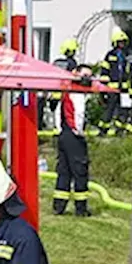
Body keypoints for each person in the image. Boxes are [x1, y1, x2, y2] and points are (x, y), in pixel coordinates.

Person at [53, 65, 94, 217]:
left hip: (64, 133)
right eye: (85, 75)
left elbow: (58, 111)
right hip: (73, 135)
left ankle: (59, 206)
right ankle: (81, 208)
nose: (87, 78)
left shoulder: (67, 90)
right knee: (80, 171)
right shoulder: (77, 92)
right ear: (76, 73)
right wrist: (79, 132)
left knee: (64, 171)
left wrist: (59, 130)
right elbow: (79, 113)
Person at [95, 28, 130, 135]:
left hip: (124, 88)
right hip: (112, 88)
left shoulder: (128, 55)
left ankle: (120, 129)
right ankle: (103, 129)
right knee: (109, 109)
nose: (122, 44)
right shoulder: (110, 55)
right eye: (120, 42)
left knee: (124, 109)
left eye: (123, 42)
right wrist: (103, 88)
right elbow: (105, 71)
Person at [47, 38, 80, 129]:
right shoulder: (72, 63)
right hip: (65, 90)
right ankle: (60, 127)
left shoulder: (57, 62)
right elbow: (73, 75)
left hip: (55, 90)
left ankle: (54, 127)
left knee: (54, 110)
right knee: (63, 111)